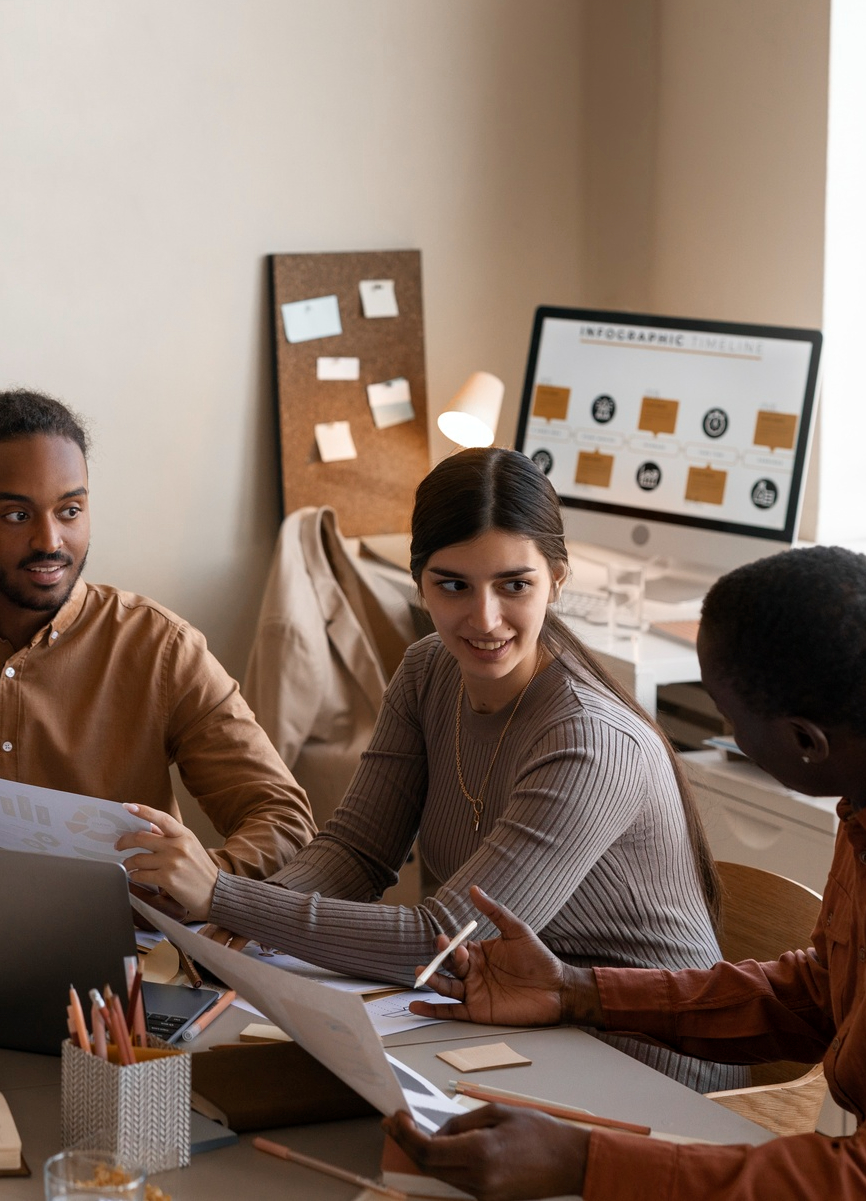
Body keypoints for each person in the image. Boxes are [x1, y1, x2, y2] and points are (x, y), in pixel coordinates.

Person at [385, 546, 866, 1200]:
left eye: (731, 721)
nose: (729, 732)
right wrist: (576, 990)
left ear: (806, 742)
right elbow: (820, 996)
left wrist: (586, 1163)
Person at [124, 447, 732, 1089]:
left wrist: (224, 897)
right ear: (419, 582)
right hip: (508, 1019)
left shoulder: (590, 739)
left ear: (556, 578)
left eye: (514, 585)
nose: (484, 618)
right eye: (453, 585)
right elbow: (356, 852)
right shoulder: (427, 672)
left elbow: (440, 942)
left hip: (645, 1060)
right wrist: (236, 926)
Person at [0, 389, 315, 878]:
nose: (49, 541)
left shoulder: (161, 648)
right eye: (17, 515)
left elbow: (285, 822)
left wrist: (205, 883)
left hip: (129, 944)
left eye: (70, 510)